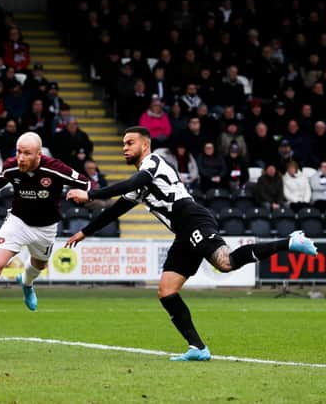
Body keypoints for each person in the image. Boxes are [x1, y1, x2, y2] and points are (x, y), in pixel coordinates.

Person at [64, 126, 317, 361]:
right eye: (123, 144)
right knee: (166, 291)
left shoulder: (153, 163)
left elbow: (130, 185)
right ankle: (198, 348)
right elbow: (116, 209)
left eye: (130, 143)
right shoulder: (140, 181)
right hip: (182, 232)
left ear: (145, 145)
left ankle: (291, 241)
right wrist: (84, 232)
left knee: (226, 263)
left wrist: (90, 194)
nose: (125, 148)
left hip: (192, 218)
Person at [0, 132, 91, 344]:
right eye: (18, 152)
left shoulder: (55, 168)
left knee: (39, 265)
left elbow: (86, 183)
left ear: (39, 155)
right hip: (18, 222)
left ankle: (26, 283)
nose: (21, 158)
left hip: (46, 228)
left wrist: (84, 193)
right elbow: (1, 178)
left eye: (27, 153)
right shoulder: (12, 166)